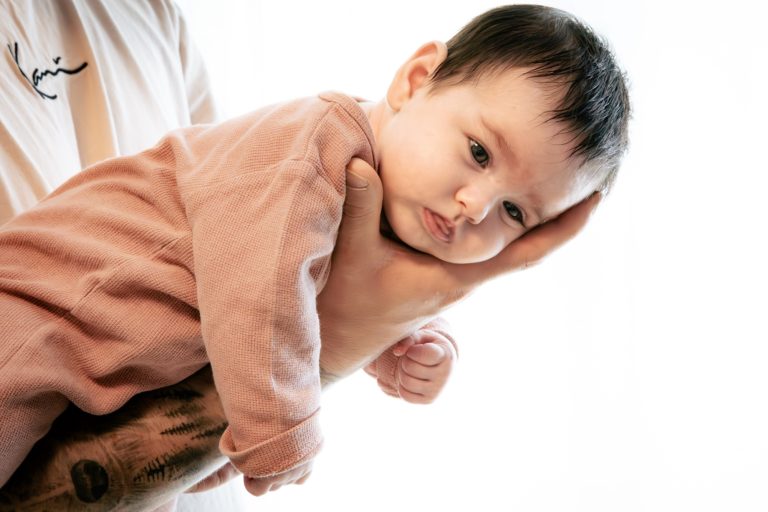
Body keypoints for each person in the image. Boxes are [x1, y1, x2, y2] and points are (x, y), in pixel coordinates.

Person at [0, 2, 629, 501]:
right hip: (42, 319)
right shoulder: (315, 148)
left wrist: (411, 337)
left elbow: (322, 294)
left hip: (100, 376)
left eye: (515, 212)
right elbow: (260, 293)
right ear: (416, 81)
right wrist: (284, 427)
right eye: (479, 153)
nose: (476, 205)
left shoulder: (389, 205)